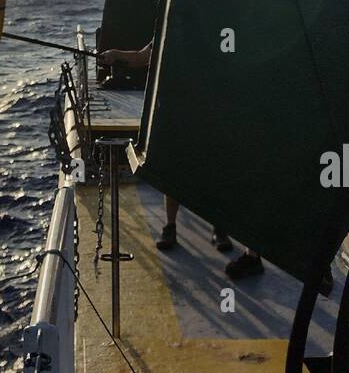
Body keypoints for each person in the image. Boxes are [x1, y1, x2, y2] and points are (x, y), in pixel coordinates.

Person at [98, 40, 265, 279]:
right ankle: (171, 227)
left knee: (218, 174)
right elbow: (141, 56)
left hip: (210, 116)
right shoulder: (169, 31)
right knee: (174, 174)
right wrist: (115, 54)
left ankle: (221, 228)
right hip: (181, 116)